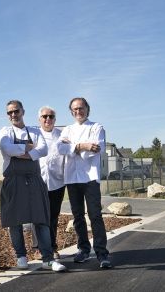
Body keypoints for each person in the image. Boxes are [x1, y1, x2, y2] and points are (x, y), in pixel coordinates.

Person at [0, 100, 66, 272]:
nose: (13, 114)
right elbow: (6, 149)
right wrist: (29, 149)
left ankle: (48, 258)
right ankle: (21, 256)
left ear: (23, 111)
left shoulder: (35, 131)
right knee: (15, 221)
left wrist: (22, 151)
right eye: (10, 112)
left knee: (41, 219)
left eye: (16, 111)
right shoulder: (5, 131)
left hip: (35, 180)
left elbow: (43, 150)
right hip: (13, 180)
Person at [56, 97, 112, 269]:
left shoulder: (97, 127)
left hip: (90, 178)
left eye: (81, 108)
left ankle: (102, 254)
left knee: (95, 215)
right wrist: (82, 146)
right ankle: (84, 250)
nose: (78, 112)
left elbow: (95, 151)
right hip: (72, 179)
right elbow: (60, 148)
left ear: (87, 109)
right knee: (78, 216)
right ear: (71, 112)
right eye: (74, 109)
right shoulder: (67, 130)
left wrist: (73, 148)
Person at [31, 106, 66, 260]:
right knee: (38, 216)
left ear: (55, 119)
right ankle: (38, 248)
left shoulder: (62, 136)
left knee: (53, 216)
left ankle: (52, 247)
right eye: (44, 116)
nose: (48, 119)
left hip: (57, 182)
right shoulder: (33, 135)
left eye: (51, 116)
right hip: (37, 181)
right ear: (39, 119)